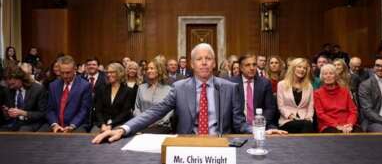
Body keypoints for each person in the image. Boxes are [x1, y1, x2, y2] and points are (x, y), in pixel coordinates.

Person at [92, 43, 286, 144]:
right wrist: (123, 129)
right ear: (192, 64)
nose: (203, 62)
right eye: (199, 59)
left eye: (208, 58)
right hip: (186, 145)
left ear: (214, 62)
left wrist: (261, 130)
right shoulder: (179, 88)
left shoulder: (228, 87)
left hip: (220, 146)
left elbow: (239, 122)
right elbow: (155, 112)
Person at [44, 55, 92, 133]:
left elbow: (84, 111)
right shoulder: (53, 85)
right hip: (57, 124)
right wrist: (54, 124)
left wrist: (72, 126)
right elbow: (50, 109)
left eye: (68, 73)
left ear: (75, 69)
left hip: (77, 125)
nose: (65, 76)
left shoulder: (85, 86)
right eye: (62, 73)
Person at [229, 54, 278, 129]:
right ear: (241, 68)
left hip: (262, 125)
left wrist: (259, 124)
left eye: (254, 64)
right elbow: (230, 111)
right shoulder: (232, 83)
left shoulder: (265, 83)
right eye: (247, 65)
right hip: (237, 126)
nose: (252, 68)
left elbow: (270, 109)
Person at [314, 64, 359, 133]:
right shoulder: (317, 93)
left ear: (336, 76)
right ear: (322, 77)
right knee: (335, 134)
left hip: (347, 124)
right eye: (325, 74)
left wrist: (349, 124)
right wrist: (336, 125)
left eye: (331, 73)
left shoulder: (345, 91)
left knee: (358, 132)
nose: (328, 76)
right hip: (328, 125)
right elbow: (320, 114)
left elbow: (353, 111)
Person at [92, 63, 134, 133]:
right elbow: (98, 110)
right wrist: (102, 124)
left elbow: (125, 112)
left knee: (114, 137)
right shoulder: (101, 89)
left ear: (119, 73)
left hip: (119, 123)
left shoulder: (128, 91)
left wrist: (111, 125)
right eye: (108, 72)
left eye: (112, 72)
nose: (108, 75)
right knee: (93, 134)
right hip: (102, 124)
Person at [134, 59, 173, 133]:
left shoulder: (168, 89)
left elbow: (170, 111)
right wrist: (143, 121)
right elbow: (137, 107)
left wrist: (155, 123)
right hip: (142, 125)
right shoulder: (141, 88)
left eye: (152, 68)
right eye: (147, 69)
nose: (148, 71)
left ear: (159, 71)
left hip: (161, 127)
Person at [277, 58, 314, 133]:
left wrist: (308, 117)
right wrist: (290, 116)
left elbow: (310, 106)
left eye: (304, 68)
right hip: (287, 121)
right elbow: (281, 106)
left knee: (307, 124)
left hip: (305, 120)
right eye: (299, 67)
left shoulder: (309, 86)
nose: (302, 70)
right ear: (293, 68)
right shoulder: (281, 84)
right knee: (305, 125)